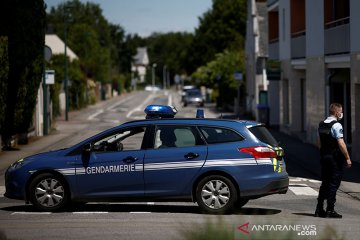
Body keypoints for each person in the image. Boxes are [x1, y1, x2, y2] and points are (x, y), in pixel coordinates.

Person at [315, 103, 352, 218]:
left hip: (324, 157)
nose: (341, 114)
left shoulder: (322, 124)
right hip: (334, 159)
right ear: (336, 112)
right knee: (333, 183)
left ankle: (319, 209)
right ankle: (330, 210)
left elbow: (319, 142)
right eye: (340, 111)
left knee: (325, 183)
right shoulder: (336, 125)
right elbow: (341, 143)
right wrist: (347, 158)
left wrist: (324, 153)